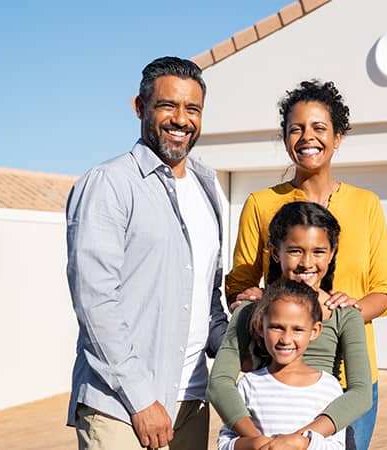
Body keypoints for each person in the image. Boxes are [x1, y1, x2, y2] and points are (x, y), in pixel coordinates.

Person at [209, 80, 387, 450]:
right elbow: (240, 285)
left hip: (348, 375)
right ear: (284, 138)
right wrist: (257, 304)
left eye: (318, 128)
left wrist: (340, 311)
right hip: (274, 370)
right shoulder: (261, 204)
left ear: (338, 136)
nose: (306, 137)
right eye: (295, 129)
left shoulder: (366, 205)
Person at [65, 56, 227, 450]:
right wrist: (141, 400)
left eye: (192, 109)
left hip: (192, 399)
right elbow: (95, 302)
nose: (181, 119)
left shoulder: (209, 187)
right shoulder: (109, 184)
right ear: (140, 107)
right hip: (123, 408)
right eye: (167, 105)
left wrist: (248, 355)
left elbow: (210, 303)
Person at [211, 201, 371, 449]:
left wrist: (300, 440)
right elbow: (220, 381)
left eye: (318, 251)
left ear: (332, 252)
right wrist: (259, 441)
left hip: (322, 439)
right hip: (262, 431)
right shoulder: (250, 309)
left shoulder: (345, 315)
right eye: (295, 250)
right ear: (275, 252)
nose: (307, 262)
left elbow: (360, 393)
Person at [218, 279, 348, 450]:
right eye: (276, 327)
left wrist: (302, 443)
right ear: (259, 327)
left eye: (297, 329)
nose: (286, 339)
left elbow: (337, 446)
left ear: (315, 331)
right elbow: (224, 443)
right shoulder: (249, 384)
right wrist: (255, 444)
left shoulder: (329, 387)